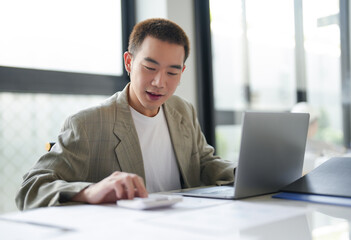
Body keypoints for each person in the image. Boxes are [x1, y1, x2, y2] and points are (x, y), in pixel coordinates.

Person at [16, 18, 236, 210]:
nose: (160, 82)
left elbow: (205, 163)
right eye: (150, 68)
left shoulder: (183, 110)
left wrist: (247, 173)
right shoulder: (87, 124)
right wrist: (90, 192)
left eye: (171, 72)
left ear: (182, 73)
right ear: (129, 62)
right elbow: (31, 189)